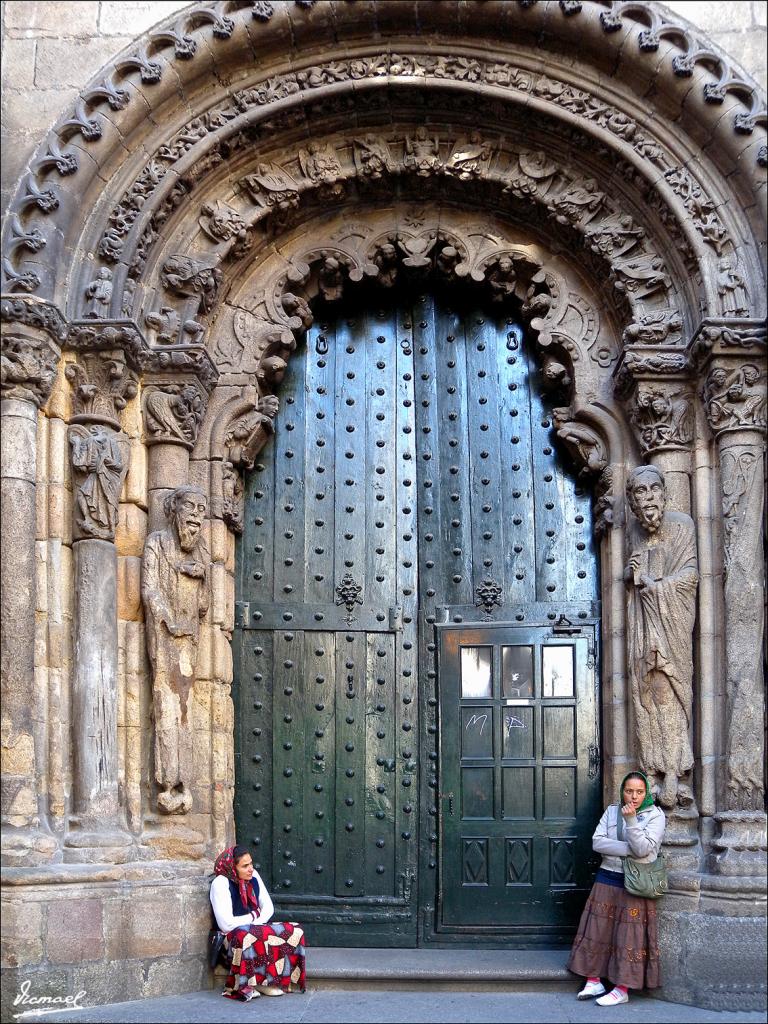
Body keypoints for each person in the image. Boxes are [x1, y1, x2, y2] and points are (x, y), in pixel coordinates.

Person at [567, 771, 666, 1006]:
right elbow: (597, 842)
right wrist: (630, 848)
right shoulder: (612, 811)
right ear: (622, 790)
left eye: (639, 792)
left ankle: (622, 989)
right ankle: (594, 980)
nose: (633, 796)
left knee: (627, 936)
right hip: (607, 877)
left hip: (635, 883)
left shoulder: (655, 815)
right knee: (597, 931)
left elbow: (643, 850)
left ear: (646, 793)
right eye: (629, 791)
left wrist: (631, 822)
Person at [210, 845, 306, 1001]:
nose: (250, 869)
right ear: (232, 867)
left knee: (294, 929)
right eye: (245, 866)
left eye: (251, 864)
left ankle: (272, 980)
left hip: (253, 929)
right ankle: (245, 984)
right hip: (230, 940)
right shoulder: (221, 883)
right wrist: (254, 916)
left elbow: (268, 908)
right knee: (246, 934)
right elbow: (226, 924)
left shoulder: (253, 876)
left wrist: (255, 924)